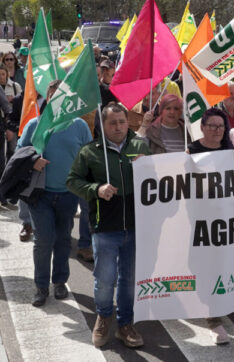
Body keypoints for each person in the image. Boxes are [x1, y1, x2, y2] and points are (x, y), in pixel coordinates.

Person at [67, 102, 150, 348]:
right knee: (105, 279)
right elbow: (72, 181)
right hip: (105, 228)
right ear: (102, 126)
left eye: (122, 121)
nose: (118, 126)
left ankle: (125, 324)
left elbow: (159, 177)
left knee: (128, 279)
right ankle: (103, 317)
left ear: (128, 122)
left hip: (135, 227)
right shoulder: (90, 151)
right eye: (112, 122)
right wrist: (96, 189)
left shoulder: (140, 146)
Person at [16, 81, 92, 307]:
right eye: (53, 96)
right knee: (43, 240)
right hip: (40, 195)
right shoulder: (35, 125)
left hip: (68, 194)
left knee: (63, 239)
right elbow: (20, 153)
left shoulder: (79, 126)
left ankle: (59, 281)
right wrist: (33, 161)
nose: (57, 100)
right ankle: (41, 286)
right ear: (47, 99)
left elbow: (88, 155)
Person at [185, 107, 234, 344]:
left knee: (221, 264)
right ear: (202, 127)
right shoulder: (192, 151)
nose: (217, 131)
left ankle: (216, 308)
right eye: (212, 126)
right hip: (200, 220)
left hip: (226, 220)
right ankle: (213, 318)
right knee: (205, 265)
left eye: (221, 127)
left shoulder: (229, 151)